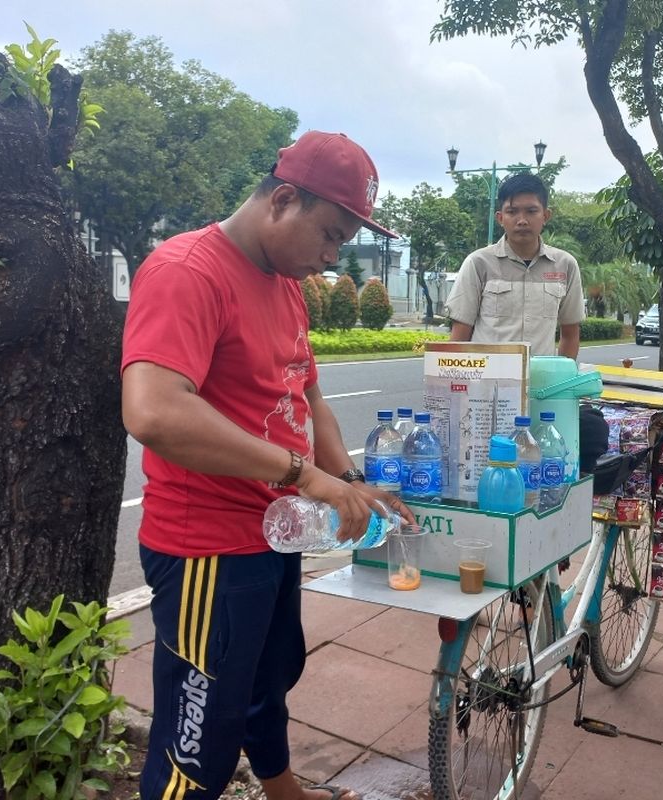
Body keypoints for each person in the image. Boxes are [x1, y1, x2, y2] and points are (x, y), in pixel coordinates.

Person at [121, 131, 414, 800]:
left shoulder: (284, 284)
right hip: (207, 548)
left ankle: (285, 791)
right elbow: (155, 412)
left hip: (276, 532)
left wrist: (347, 481)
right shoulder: (187, 270)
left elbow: (305, 394)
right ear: (284, 199)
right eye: (331, 235)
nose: (332, 257)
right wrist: (301, 474)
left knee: (269, 679)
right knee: (197, 742)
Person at [445, 173, 585, 358]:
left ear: (546, 215)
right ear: (500, 217)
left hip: (541, 382)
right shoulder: (479, 263)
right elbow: (460, 333)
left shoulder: (565, 265)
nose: (522, 220)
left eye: (531, 211)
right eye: (512, 212)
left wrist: (561, 381)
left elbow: (570, 333)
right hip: (487, 381)